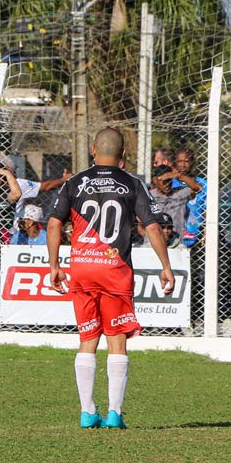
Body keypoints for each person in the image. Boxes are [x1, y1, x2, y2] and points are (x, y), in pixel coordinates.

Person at [48, 127, 173, 429]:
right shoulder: (132, 183)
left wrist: (54, 265)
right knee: (117, 341)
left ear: (93, 149)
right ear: (123, 155)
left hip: (83, 267)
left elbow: (53, 224)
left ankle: (88, 411)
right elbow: (153, 227)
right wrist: (166, 266)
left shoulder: (75, 183)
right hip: (114, 270)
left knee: (87, 338)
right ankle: (114, 413)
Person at [149, 164, 192, 244]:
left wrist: (179, 175)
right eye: (164, 182)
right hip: (152, 241)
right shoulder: (149, 196)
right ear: (155, 180)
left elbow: (197, 188)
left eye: (170, 181)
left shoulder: (180, 193)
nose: (167, 185)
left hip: (176, 242)